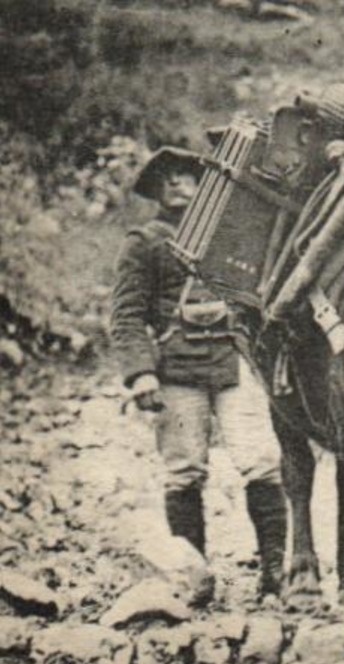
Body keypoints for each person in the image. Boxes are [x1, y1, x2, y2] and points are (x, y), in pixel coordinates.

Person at [108, 146, 289, 601]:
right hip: (177, 369)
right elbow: (127, 316)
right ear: (155, 190)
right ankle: (195, 577)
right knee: (184, 472)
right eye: (166, 178)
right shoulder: (143, 242)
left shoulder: (229, 236)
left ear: (204, 181)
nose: (177, 183)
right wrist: (140, 375)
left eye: (186, 174)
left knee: (262, 462)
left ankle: (275, 574)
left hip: (232, 360)